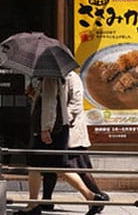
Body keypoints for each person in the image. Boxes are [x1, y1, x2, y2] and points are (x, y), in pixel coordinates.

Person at [14, 76, 100, 215]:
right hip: (55, 128)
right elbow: (48, 101)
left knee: (51, 166)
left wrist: (45, 128)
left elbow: (50, 103)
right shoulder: (50, 78)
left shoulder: (51, 77)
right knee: (46, 166)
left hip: (51, 129)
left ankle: (91, 197)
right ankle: (33, 204)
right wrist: (34, 95)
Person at [40, 70, 109, 213]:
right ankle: (46, 200)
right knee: (49, 166)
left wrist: (61, 120)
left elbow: (76, 104)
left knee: (78, 167)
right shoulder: (50, 78)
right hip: (57, 131)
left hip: (70, 131)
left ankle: (98, 195)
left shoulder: (72, 77)